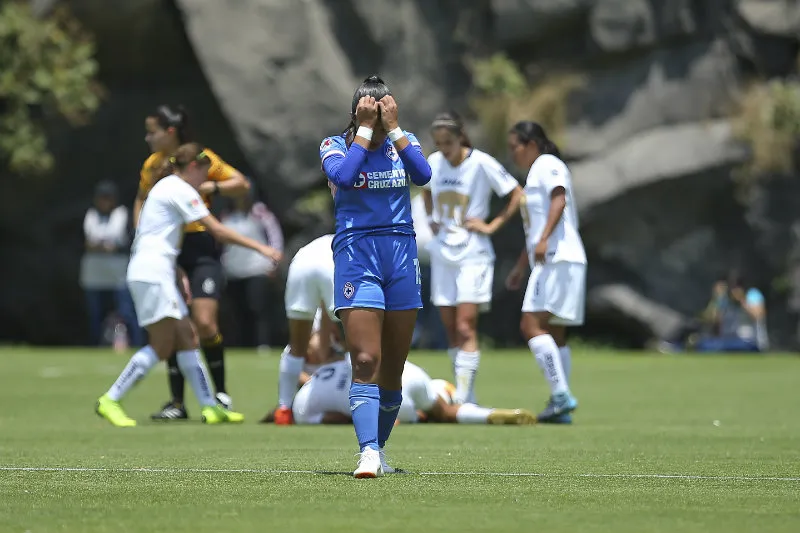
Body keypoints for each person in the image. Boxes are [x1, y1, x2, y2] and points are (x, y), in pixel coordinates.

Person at [96, 143, 282, 427]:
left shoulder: (168, 188)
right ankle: (111, 399)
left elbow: (160, 236)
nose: (205, 184)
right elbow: (216, 230)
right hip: (152, 273)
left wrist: (178, 271)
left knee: (187, 338)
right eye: (204, 175)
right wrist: (263, 249)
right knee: (161, 346)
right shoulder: (180, 189)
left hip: (155, 270)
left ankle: (210, 407)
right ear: (192, 168)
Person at [320, 75, 432, 478]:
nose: (380, 114)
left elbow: (423, 174)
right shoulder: (335, 145)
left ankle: (380, 449)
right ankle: (367, 452)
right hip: (357, 252)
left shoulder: (403, 142)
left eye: (384, 108)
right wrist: (365, 130)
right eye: (372, 108)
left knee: (394, 366)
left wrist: (395, 129)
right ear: (357, 111)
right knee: (366, 357)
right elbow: (345, 177)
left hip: (401, 253)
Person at [134, 105, 250, 420]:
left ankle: (221, 395)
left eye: (152, 131)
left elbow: (241, 183)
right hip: (168, 251)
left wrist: (211, 186)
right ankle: (177, 402)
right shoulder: (153, 165)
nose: (148, 138)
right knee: (172, 323)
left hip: (201, 247)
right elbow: (141, 201)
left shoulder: (203, 159)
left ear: (169, 132)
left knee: (205, 322)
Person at [422, 112, 523, 404]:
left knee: (466, 326)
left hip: (473, 253)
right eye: (439, 143)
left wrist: (491, 226)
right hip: (443, 252)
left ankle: (465, 397)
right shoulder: (434, 162)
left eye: (448, 142)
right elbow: (426, 189)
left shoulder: (481, 162)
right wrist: (431, 217)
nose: (444, 149)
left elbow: (517, 194)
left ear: (461, 137)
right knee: (450, 326)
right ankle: (465, 392)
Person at [505, 121, 584, 424]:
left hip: (556, 256)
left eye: (516, 147)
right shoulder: (535, 171)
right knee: (555, 333)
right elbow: (537, 225)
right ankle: (558, 402)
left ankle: (562, 395)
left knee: (531, 326)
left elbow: (559, 198)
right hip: (559, 257)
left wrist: (543, 240)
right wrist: (520, 266)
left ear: (532, 144)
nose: (513, 154)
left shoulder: (547, 164)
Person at [288, 359, 537, 444]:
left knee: (423, 414)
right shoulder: (323, 370)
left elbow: (339, 418)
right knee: (445, 411)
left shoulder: (300, 408)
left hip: (388, 398)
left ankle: (426, 410)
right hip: (406, 371)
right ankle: (485, 413)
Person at [270, 233, 338, 425]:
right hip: (332, 261)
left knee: (297, 349)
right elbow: (325, 315)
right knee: (359, 348)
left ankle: (284, 409)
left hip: (301, 262)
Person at [220, 185, 284, 350]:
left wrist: (273, 263)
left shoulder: (260, 213)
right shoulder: (226, 216)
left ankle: (262, 343)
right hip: (233, 270)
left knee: (257, 308)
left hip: (257, 269)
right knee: (238, 311)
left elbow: (275, 237)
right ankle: (243, 344)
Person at [80, 181, 143, 347]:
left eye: (107, 198)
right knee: (96, 312)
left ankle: (136, 343)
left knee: (126, 311)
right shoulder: (91, 215)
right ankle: (95, 344)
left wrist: (112, 247)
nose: (104, 202)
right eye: (101, 198)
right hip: (95, 271)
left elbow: (129, 241)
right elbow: (86, 241)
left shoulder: (123, 215)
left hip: (118, 271)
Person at [410, 193, 448, 350]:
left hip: (440, 262)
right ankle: (413, 342)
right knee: (415, 305)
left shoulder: (444, 198)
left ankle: (440, 343)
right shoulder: (415, 201)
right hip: (416, 262)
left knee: (439, 304)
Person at [694, 272, 768, 352]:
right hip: (731, 341)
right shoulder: (726, 300)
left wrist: (742, 301)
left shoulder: (752, 295)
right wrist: (717, 300)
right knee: (703, 345)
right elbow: (714, 320)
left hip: (752, 341)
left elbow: (758, 316)